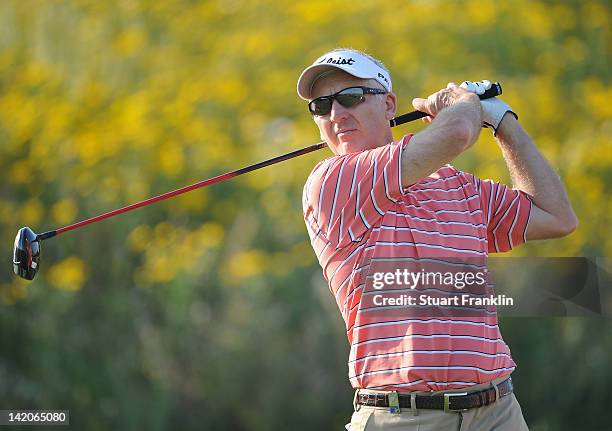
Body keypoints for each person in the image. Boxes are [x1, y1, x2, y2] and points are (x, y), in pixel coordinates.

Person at [297, 48, 577, 430]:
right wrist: (459, 103)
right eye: (321, 106)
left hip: (497, 410)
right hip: (403, 416)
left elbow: (556, 216)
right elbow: (458, 132)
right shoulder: (332, 182)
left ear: (390, 105)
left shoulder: (457, 186)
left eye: (351, 98)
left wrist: (504, 123)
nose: (336, 114)